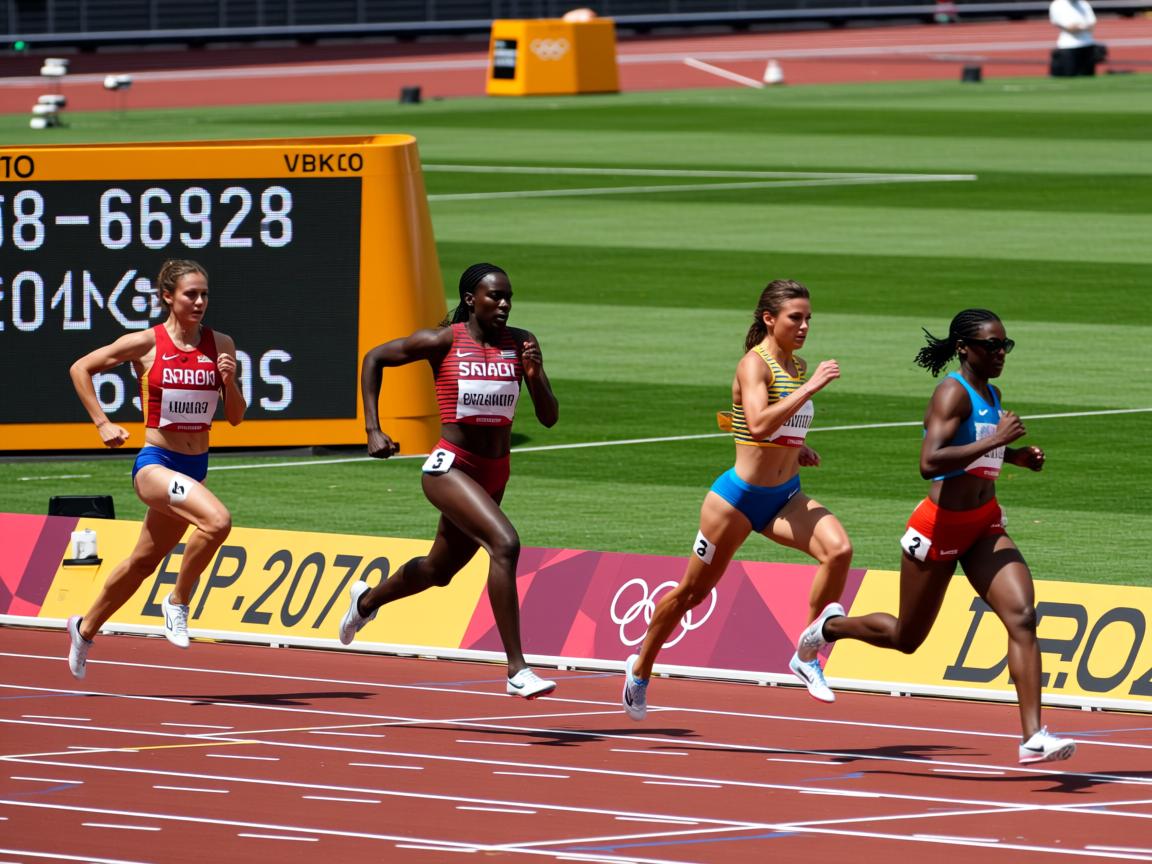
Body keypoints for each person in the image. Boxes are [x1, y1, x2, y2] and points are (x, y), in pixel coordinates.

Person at [794, 309, 1076, 765]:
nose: (1001, 352)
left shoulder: (991, 391)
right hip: (939, 527)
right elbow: (931, 461)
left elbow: (980, 456)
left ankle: (1033, 737)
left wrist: (1017, 456)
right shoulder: (951, 392)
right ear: (965, 348)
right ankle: (827, 628)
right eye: (991, 345)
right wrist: (994, 440)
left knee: (1022, 616)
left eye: (1006, 345)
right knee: (907, 638)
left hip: (983, 524)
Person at [622, 278, 852, 719]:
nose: (804, 326)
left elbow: (765, 429)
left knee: (839, 550)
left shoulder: (795, 365)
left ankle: (806, 655)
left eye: (808, 319)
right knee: (692, 592)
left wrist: (796, 447)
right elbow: (759, 423)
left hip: (785, 497)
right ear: (770, 319)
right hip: (737, 501)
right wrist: (812, 387)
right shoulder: (755, 365)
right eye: (795, 318)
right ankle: (641, 667)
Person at [339, 263, 560, 699]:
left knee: (438, 572)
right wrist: (372, 428)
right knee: (505, 544)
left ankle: (366, 602)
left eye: (508, 296)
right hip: (450, 468)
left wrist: (535, 378)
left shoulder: (523, 344)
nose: (504, 304)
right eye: (494, 296)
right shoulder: (444, 341)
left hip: (495, 473)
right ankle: (517, 669)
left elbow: (549, 418)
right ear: (469, 300)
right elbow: (374, 358)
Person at [65, 259, 246, 679]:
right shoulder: (146, 343)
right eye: (190, 294)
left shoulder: (221, 344)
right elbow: (81, 368)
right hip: (155, 464)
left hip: (193, 468)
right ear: (168, 296)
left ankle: (84, 628)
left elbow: (235, 417)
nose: (200, 302)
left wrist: (231, 382)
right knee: (218, 522)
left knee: (142, 563)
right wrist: (102, 422)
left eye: (204, 295)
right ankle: (179, 601)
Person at [1049, 0, 1100, 76]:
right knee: (1069, 76)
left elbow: (1091, 26)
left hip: (1088, 45)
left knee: (1088, 77)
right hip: (1068, 47)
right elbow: (1070, 28)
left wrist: (1078, 26)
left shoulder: (1084, 4)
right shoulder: (1057, 4)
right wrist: (1083, 26)